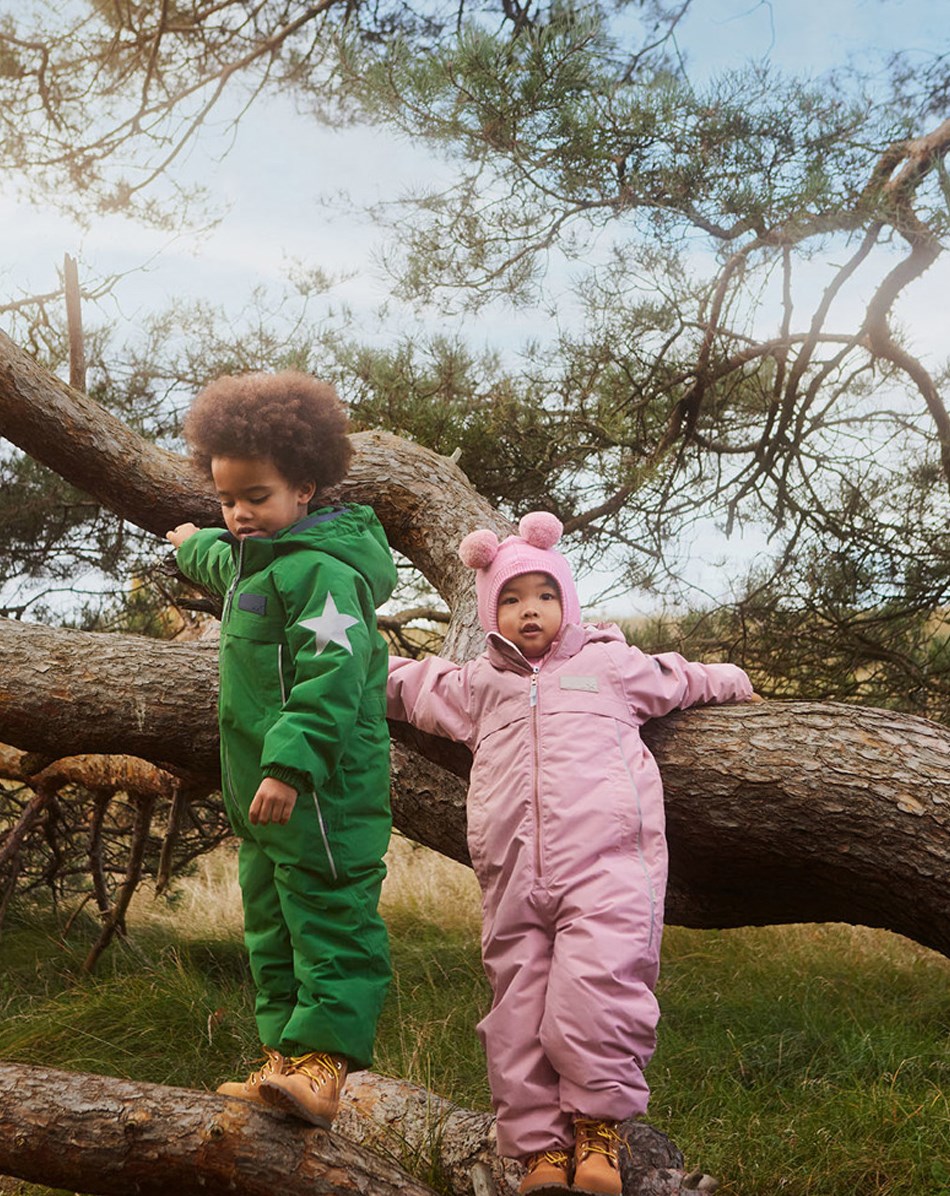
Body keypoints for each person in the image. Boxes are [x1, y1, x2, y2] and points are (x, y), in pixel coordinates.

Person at [386, 512, 759, 1195]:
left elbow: (679, 677)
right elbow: (411, 685)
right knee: (517, 1005)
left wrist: (731, 678)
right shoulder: (480, 683)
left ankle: (596, 1135)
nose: (530, 611)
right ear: (490, 611)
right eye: (512, 598)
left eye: (545, 595)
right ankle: (539, 1154)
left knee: (601, 991)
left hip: (609, 868)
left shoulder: (609, 664)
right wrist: (337, 662)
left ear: (569, 602)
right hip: (511, 876)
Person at [166, 370, 396, 1129]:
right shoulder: (252, 556)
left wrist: (290, 766)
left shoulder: (326, 572)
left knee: (329, 914)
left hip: (320, 789)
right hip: (261, 795)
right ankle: (281, 1057)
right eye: (226, 500)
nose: (238, 515)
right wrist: (190, 542)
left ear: (304, 488)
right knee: (268, 919)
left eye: (255, 498)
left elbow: (332, 677)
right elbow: (219, 558)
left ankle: (326, 1061)